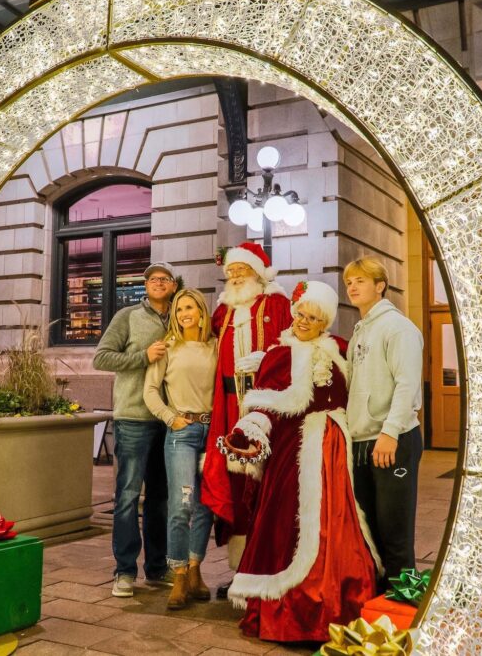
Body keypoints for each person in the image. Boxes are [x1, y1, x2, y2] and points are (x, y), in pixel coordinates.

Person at [219, 280, 379, 642]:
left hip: (335, 448)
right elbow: (262, 405)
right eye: (301, 314)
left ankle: (339, 601)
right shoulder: (278, 355)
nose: (303, 321)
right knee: (290, 523)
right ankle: (293, 610)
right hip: (294, 451)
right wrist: (250, 431)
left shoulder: (340, 348)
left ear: (325, 322)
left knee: (338, 522)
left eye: (313, 317)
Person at [200, 242, 292, 591]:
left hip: (264, 406)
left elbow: (290, 350)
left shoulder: (278, 304)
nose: (235, 277)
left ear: (258, 273)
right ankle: (241, 568)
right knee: (236, 488)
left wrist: (265, 362)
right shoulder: (221, 313)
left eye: (242, 270)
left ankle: (269, 565)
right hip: (227, 407)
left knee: (267, 485)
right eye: (231, 272)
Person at [93, 261, 178, 597]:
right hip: (133, 418)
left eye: (164, 279)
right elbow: (101, 358)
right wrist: (144, 356)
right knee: (127, 497)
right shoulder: (127, 317)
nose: (158, 282)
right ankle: (124, 571)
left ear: (173, 286)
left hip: (170, 420)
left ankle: (157, 569)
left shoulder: (180, 316)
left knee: (160, 499)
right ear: (145, 286)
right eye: (152, 278)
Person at [344, 256, 424, 585]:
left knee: (395, 532)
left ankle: (402, 605)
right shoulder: (361, 329)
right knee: (371, 531)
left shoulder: (398, 327)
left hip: (393, 439)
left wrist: (390, 433)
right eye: (349, 281)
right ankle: (379, 606)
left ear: (380, 286)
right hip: (363, 441)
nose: (352, 287)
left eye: (360, 281)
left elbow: (407, 384)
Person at [142, 288, 217, 610]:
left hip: (212, 432)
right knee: (182, 504)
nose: (185, 313)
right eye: (180, 309)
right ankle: (179, 574)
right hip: (182, 434)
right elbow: (150, 390)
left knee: (204, 508)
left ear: (201, 310)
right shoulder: (169, 347)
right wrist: (170, 418)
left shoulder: (215, 347)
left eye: (191, 307)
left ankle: (197, 569)